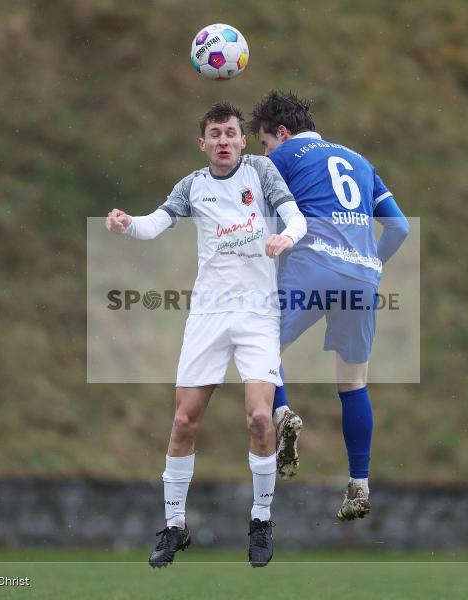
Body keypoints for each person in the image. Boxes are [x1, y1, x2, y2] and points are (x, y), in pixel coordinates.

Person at [105, 102, 306, 568]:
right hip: (208, 316)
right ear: (203, 144)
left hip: (257, 314)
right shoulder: (192, 186)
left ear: (242, 140)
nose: (223, 141)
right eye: (214, 134)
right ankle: (174, 526)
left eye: (230, 133)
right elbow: (153, 225)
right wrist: (126, 224)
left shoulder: (260, 172)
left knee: (260, 418)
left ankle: (261, 519)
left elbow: (296, 217)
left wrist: (286, 237)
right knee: (183, 423)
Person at [248, 90, 409, 520]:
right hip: (361, 279)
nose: (265, 152)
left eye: (265, 142)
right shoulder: (360, 161)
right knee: (353, 383)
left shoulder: (280, 160)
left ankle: (283, 414)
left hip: (312, 266)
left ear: (282, 133)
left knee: (260, 343)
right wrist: (372, 263)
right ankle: (359, 484)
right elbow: (399, 227)